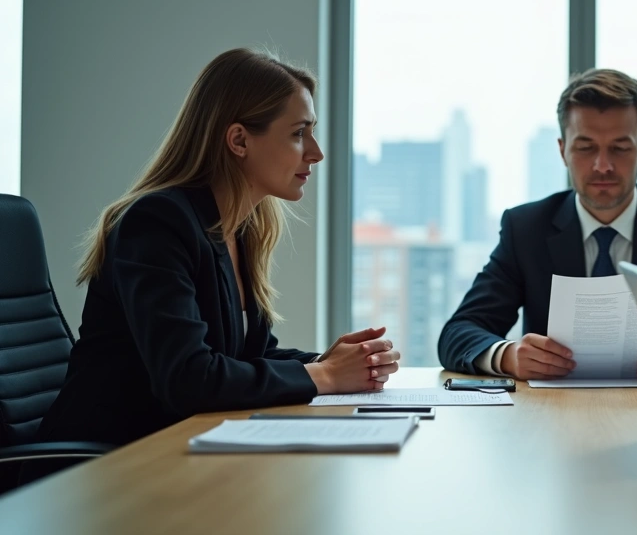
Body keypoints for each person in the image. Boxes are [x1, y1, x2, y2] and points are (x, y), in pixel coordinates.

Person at [34, 48, 401, 451]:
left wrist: (329, 362)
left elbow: (248, 355)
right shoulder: (156, 223)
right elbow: (190, 379)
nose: (316, 152)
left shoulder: (240, 228)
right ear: (239, 140)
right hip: (101, 467)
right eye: (298, 133)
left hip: (174, 451)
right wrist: (326, 375)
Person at [437, 68, 637, 381]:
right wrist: (507, 356)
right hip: (551, 414)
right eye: (585, 147)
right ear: (563, 150)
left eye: (620, 148)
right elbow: (458, 333)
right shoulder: (526, 229)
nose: (603, 166)